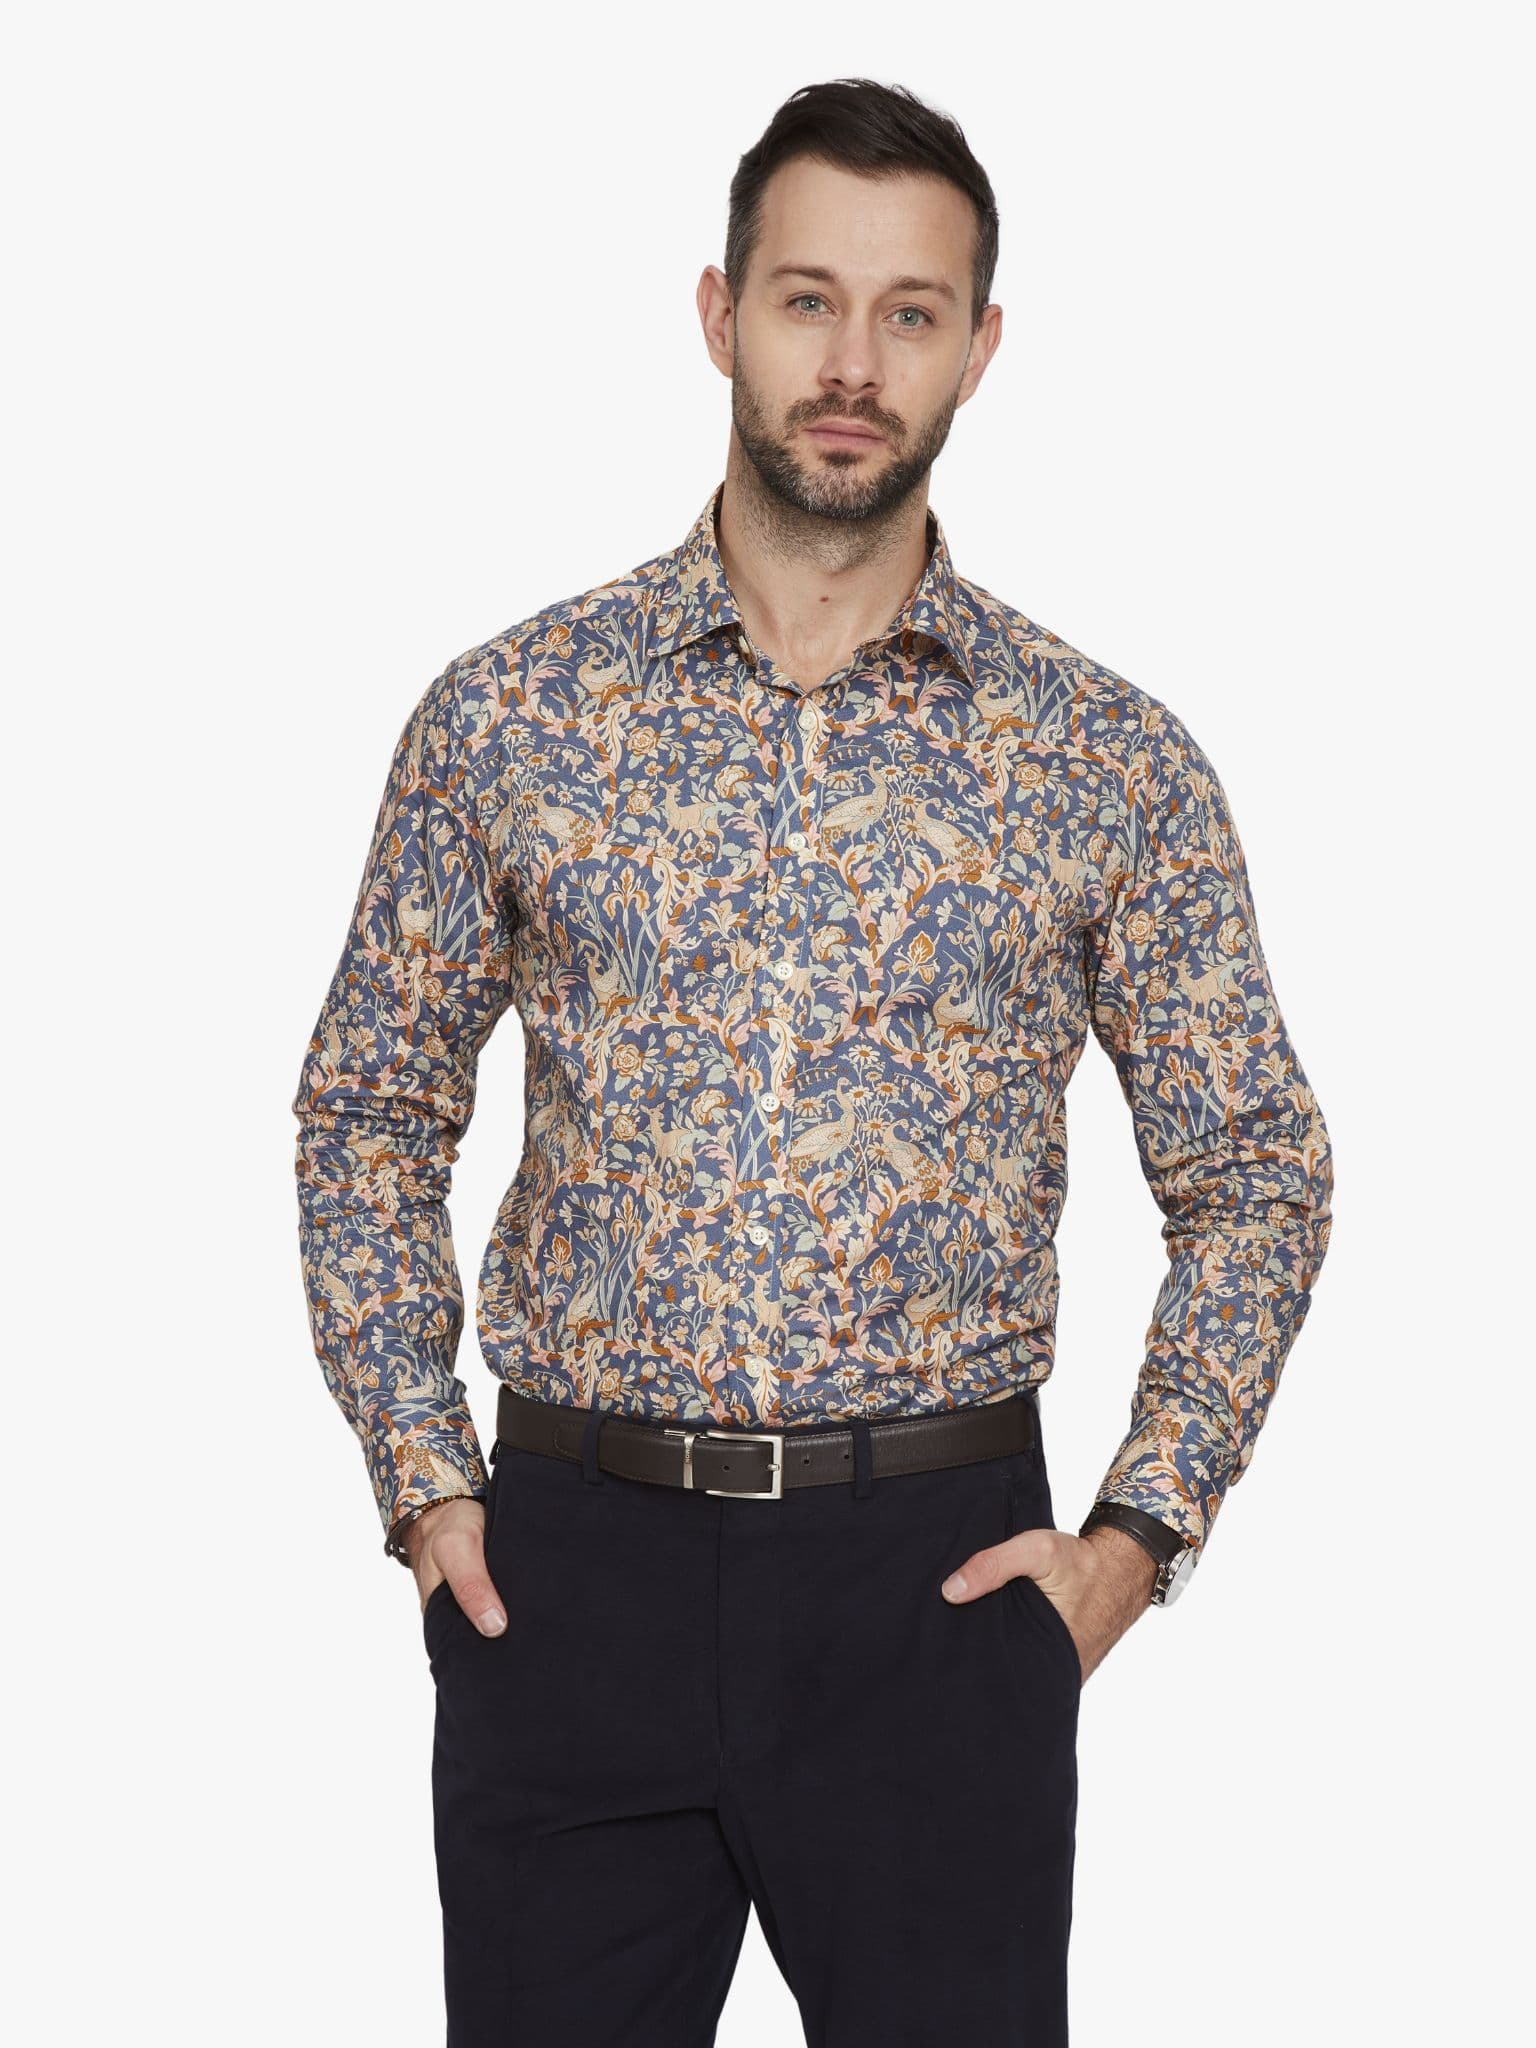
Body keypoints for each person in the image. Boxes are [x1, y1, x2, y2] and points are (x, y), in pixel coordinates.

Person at [291, 75, 1334, 2048]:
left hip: (934, 1587)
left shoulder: (1104, 760)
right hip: (572, 1575)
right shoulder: (512, 716)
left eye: (910, 312)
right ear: (720, 315)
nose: (853, 365)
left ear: (979, 347)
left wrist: (1133, 1544)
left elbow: (1257, 1169)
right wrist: (424, 1482)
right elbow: (366, 1109)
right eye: (807, 301)